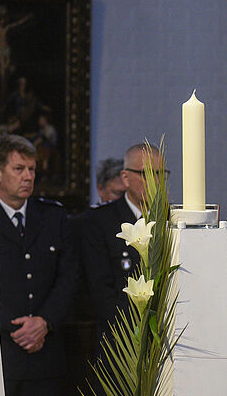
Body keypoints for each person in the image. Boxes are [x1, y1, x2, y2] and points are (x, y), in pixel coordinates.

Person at [0, 134, 77, 396]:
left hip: (46, 356)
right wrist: (17, 329)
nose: (28, 177)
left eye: (32, 169)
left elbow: (69, 277)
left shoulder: (53, 216)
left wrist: (44, 322)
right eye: (19, 169)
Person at [77, 144, 163, 347]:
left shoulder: (170, 220)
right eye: (145, 173)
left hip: (164, 337)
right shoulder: (100, 221)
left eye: (159, 174)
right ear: (125, 177)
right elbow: (99, 288)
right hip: (119, 339)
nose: (153, 181)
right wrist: (135, 331)